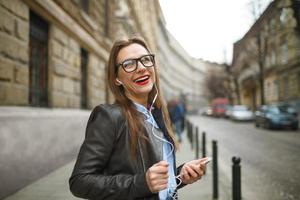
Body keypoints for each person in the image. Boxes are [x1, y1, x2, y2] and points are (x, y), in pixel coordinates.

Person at [69, 35, 209, 200]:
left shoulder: (157, 114)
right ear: (117, 78)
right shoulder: (109, 116)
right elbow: (80, 181)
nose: (141, 67)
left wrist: (180, 175)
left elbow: (155, 181)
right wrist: (142, 183)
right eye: (129, 64)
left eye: (146, 59)